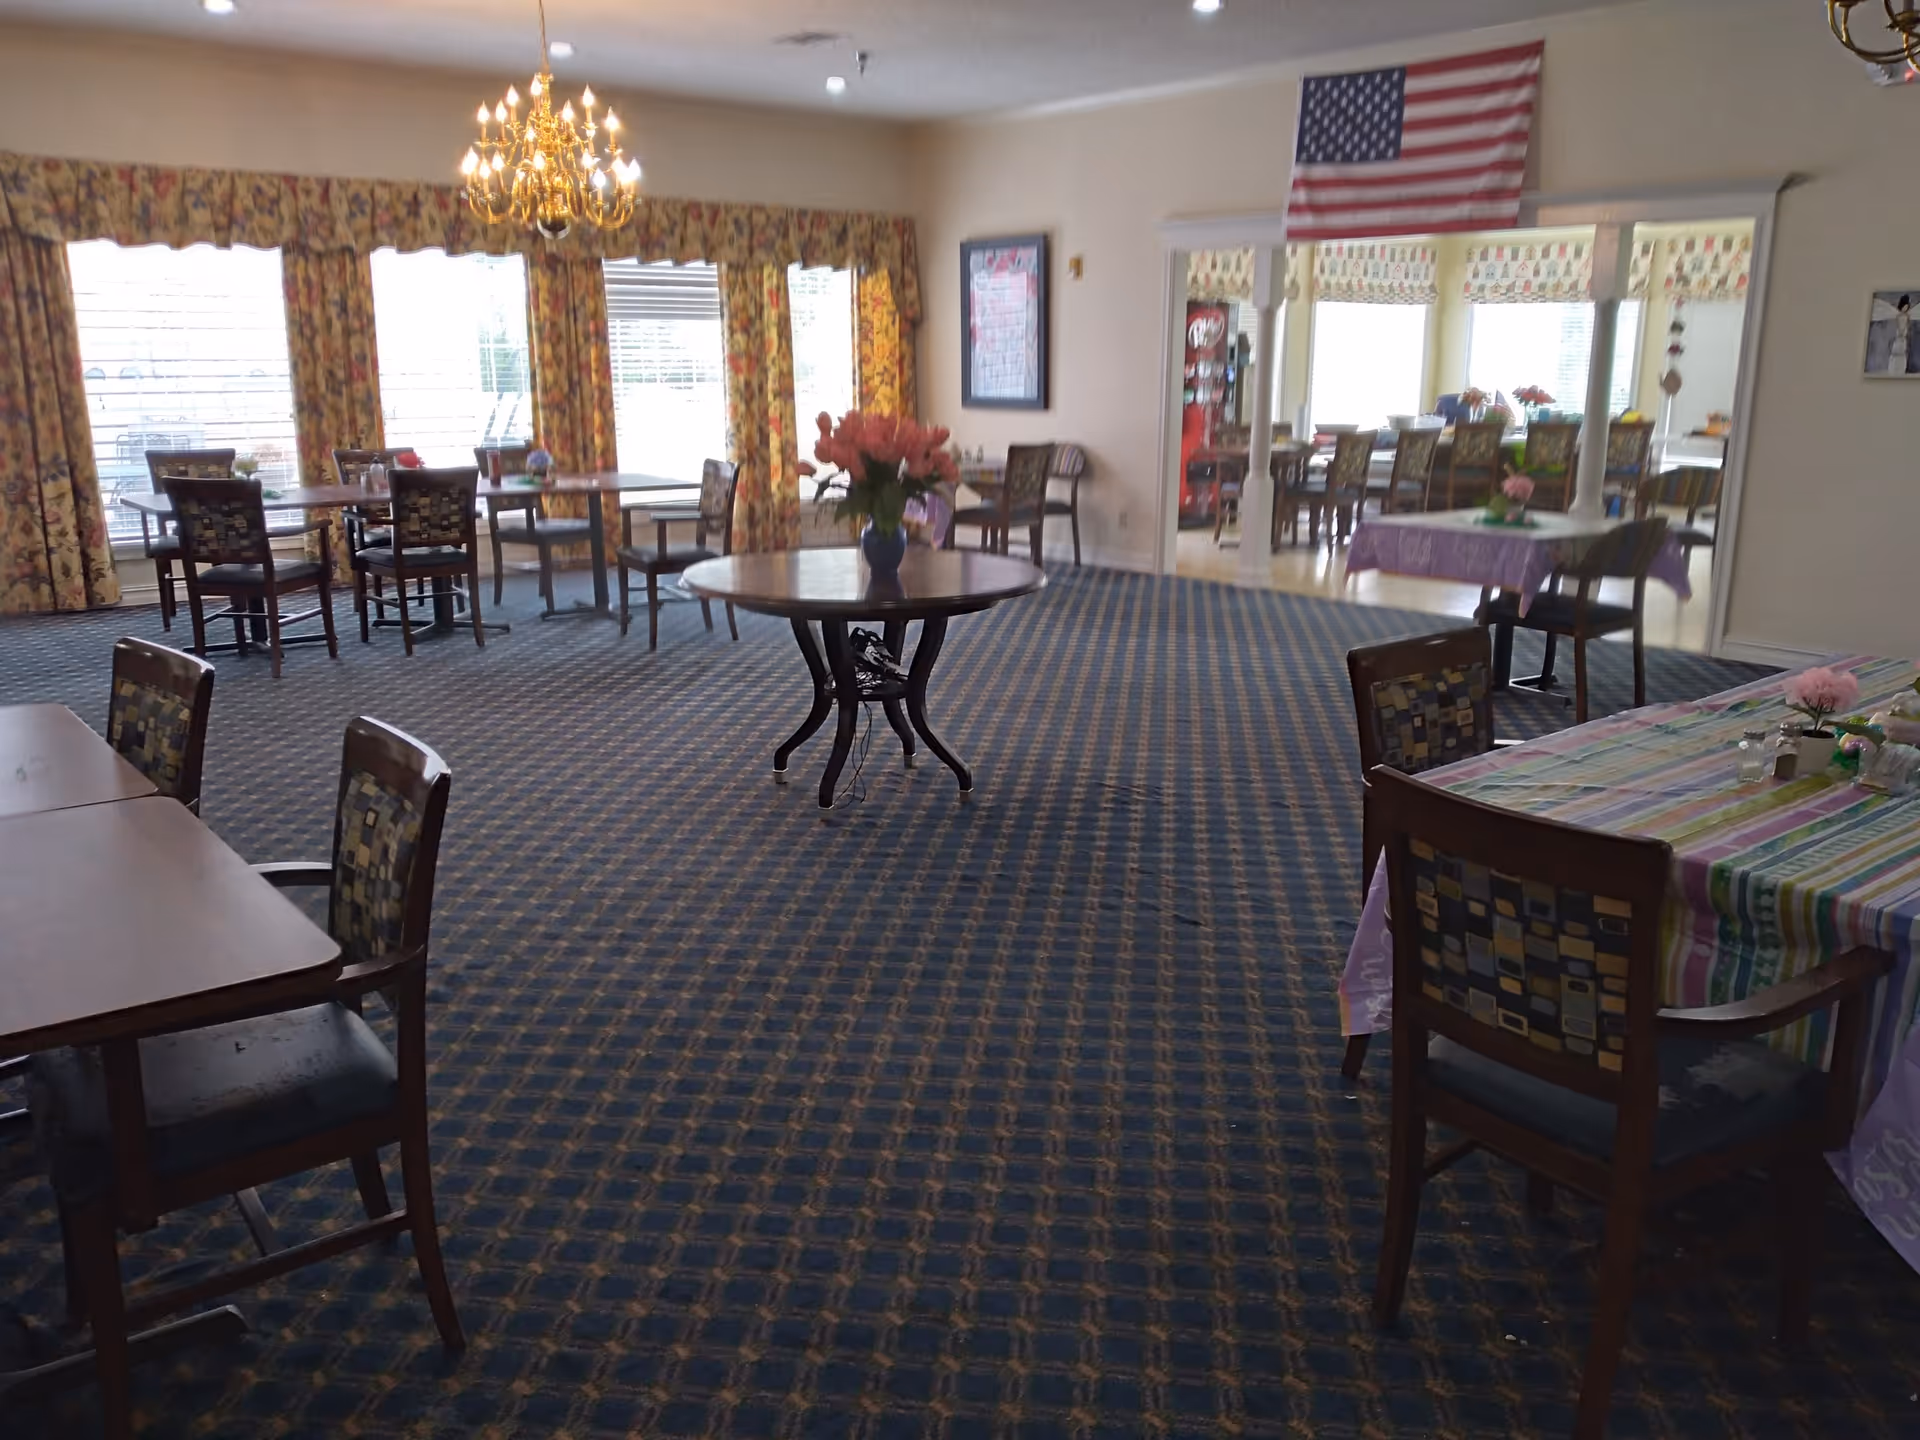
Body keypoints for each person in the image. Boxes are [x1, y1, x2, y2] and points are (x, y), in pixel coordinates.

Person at [1890, 295, 1913, 377]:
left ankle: (1901, 369)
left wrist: (1904, 332)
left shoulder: (1907, 316)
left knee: (1902, 352)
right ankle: (1893, 368)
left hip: (1903, 337)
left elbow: (1907, 325)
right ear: (1901, 306)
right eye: (1904, 306)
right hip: (1898, 336)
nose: (1905, 308)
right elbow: (1898, 325)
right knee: (1896, 351)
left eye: (1907, 307)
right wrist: (1900, 331)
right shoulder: (1898, 316)